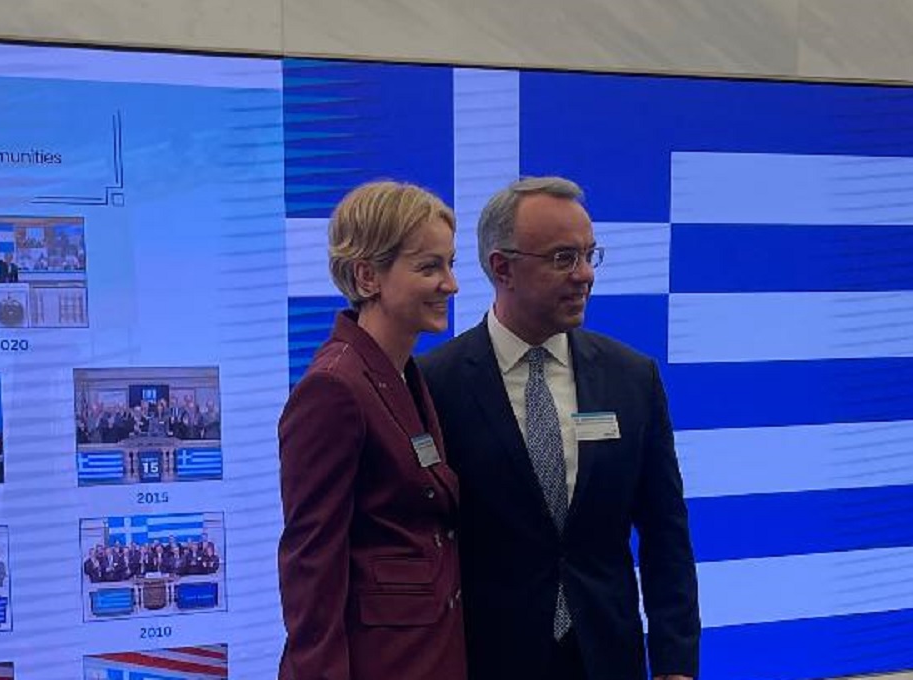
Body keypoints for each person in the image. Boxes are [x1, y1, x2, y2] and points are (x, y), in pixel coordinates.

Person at [420, 177, 700, 680]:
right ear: (502, 268)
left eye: (590, 255)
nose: (585, 274)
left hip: (608, 659)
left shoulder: (632, 377)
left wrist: (675, 663)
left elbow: (666, 533)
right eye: (563, 258)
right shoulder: (434, 385)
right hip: (487, 662)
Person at [277, 181, 464, 680]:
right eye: (429, 267)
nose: (451, 284)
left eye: (450, 264)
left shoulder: (402, 373)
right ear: (367, 276)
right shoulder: (333, 388)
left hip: (426, 656)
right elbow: (311, 563)